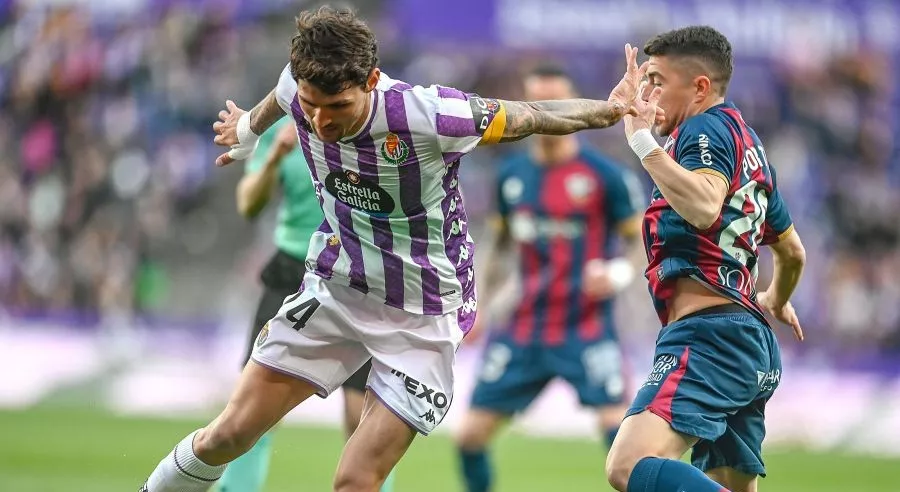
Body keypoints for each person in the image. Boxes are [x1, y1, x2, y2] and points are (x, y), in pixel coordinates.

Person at [140, 6, 657, 492]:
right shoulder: (299, 90)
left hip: (424, 314)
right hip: (337, 291)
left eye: (337, 106)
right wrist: (250, 130)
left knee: (356, 481)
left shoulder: (430, 115)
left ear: (370, 82)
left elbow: (534, 115)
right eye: (312, 106)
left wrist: (611, 110)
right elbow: (279, 98)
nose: (320, 123)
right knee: (225, 436)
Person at [603, 26, 807, 492]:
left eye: (656, 79)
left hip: (708, 338)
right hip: (748, 340)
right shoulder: (750, 147)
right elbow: (792, 251)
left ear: (699, 87)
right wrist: (777, 296)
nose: (648, 92)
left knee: (628, 465)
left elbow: (703, 206)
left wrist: (641, 143)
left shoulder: (703, 127)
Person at [454, 64, 646, 492]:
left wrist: (617, 272)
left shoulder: (606, 176)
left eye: (557, 102)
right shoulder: (511, 176)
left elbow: (639, 242)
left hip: (587, 324)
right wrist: (479, 304)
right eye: (537, 103)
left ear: (576, 107)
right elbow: (499, 248)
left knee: (621, 442)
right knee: (468, 436)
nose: (548, 112)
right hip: (525, 325)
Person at [213, 120, 394, 491]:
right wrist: (275, 157)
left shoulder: (377, 122)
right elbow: (249, 204)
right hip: (292, 269)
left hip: (357, 278)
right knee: (254, 407)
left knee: (360, 413)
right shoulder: (281, 127)